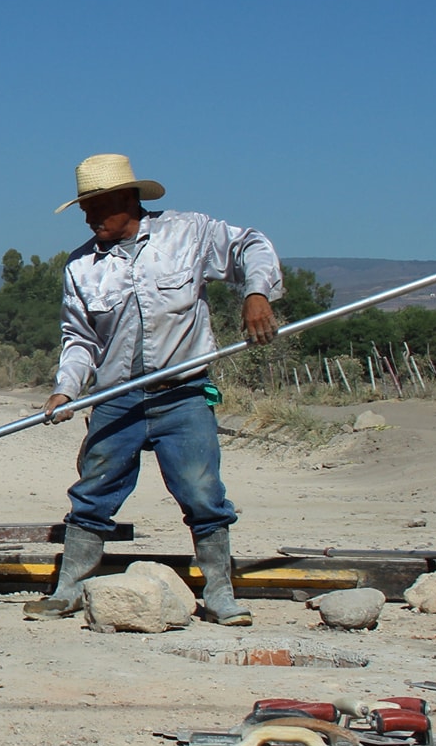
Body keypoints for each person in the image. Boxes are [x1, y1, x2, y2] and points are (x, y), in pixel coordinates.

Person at [26, 154, 281, 626]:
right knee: (93, 492)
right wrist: (66, 389)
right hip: (115, 399)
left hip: (182, 394)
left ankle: (221, 594)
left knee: (203, 493)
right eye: (84, 208)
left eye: (96, 206)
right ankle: (68, 590)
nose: (88, 217)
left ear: (128, 199)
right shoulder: (81, 267)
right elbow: (80, 339)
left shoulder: (190, 233)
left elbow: (253, 245)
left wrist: (255, 293)